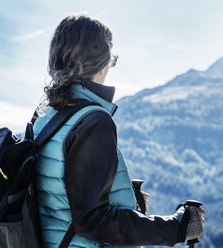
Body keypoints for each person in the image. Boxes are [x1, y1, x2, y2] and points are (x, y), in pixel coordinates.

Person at [32, 13, 205, 248]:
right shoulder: (93, 121)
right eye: (111, 59)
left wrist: (118, 196)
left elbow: (56, 195)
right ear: (100, 62)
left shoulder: (44, 116)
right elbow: (93, 221)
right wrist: (175, 227)